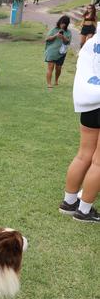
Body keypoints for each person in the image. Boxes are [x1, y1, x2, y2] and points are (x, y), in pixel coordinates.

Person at [59, 31, 100, 223]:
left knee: (83, 154)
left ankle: (69, 202)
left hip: (90, 104)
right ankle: (84, 210)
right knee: (99, 162)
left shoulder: (91, 43)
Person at [44, 16, 72, 88]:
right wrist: (55, 35)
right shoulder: (54, 29)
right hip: (52, 51)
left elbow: (68, 42)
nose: (63, 25)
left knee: (58, 68)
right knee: (50, 67)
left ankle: (56, 80)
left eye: (65, 24)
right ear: (59, 22)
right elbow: (47, 38)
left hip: (61, 52)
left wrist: (63, 37)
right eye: (62, 23)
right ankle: (49, 84)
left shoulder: (68, 32)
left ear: (67, 24)